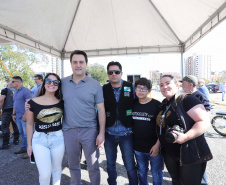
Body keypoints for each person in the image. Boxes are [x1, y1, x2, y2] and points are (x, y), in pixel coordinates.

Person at [156, 74, 212, 185]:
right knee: (176, 181)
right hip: (170, 154)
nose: (164, 87)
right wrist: (158, 144)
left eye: (168, 83)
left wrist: (186, 136)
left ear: (177, 85)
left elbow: (204, 122)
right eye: (161, 85)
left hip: (190, 153)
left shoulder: (187, 99)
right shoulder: (165, 104)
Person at [61, 50, 105, 185]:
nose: (78, 65)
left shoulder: (95, 84)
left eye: (81, 62)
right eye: (75, 62)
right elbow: (48, 96)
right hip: (69, 130)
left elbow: (101, 109)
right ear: (71, 64)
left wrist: (101, 133)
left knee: (93, 165)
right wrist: (30, 103)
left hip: (90, 131)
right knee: (73, 164)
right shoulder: (62, 83)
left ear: (86, 64)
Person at [103, 61, 138, 185]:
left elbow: (141, 102)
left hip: (127, 133)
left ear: (121, 73)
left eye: (116, 72)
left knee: (129, 165)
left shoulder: (131, 86)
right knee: (110, 164)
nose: (114, 74)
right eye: (110, 72)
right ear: (107, 74)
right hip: (109, 133)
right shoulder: (104, 89)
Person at [26, 73, 64, 185]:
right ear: (44, 83)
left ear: (58, 85)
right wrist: (29, 144)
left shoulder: (62, 102)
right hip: (39, 139)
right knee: (45, 174)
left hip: (58, 138)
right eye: (48, 81)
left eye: (55, 82)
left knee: (56, 169)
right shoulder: (32, 102)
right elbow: (29, 124)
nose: (52, 84)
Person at [132, 78, 163, 185]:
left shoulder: (157, 105)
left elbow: (163, 128)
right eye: (138, 88)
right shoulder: (133, 104)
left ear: (149, 91)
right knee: (141, 172)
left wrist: (157, 146)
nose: (141, 91)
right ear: (135, 90)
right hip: (138, 148)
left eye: (144, 88)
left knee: (156, 173)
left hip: (154, 148)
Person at [181, 75, 211, 185]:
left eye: (183, 83)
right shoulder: (184, 96)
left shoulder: (199, 95)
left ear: (190, 84)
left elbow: (206, 114)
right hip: (187, 134)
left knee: (198, 160)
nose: (181, 85)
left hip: (196, 135)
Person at [12, 76, 32, 159]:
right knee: (22, 133)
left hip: (25, 117)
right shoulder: (15, 92)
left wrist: (25, 116)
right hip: (18, 116)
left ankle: (30, 150)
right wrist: (13, 114)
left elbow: (30, 104)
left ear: (18, 82)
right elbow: (14, 104)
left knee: (27, 134)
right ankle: (24, 148)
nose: (11, 83)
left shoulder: (26, 91)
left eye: (13, 81)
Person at [0, 81, 20, 149]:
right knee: (15, 126)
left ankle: (6, 143)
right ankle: (16, 140)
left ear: (7, 85)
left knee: (5, 126)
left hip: (7, 111)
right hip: (15, 111)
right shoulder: (16, 91)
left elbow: (1, 100)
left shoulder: (5, 89)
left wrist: (0, 108)